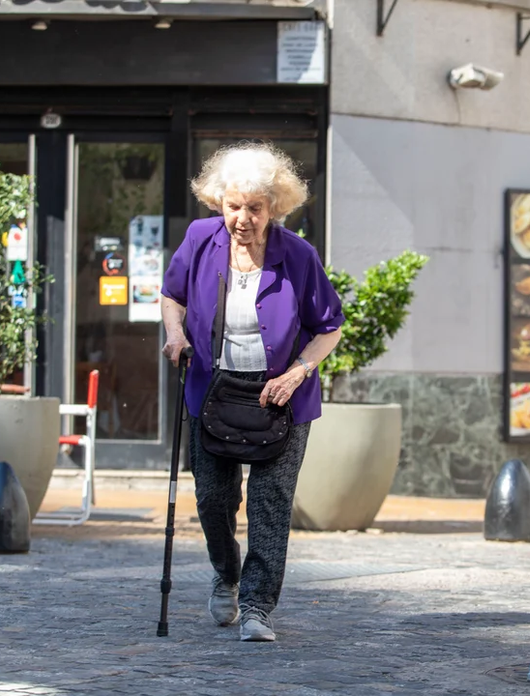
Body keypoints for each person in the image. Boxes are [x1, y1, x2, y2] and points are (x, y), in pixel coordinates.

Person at [161, 142, 344, 642]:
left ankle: (258, 606)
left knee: (270, 501)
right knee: (212, 496)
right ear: (219, 202)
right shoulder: (201, 239)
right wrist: (175, 334)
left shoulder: (298, 255)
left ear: (274, 208)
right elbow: (172, 295)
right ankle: (227, 572)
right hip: (213, 390)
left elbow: (330, 327)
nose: (242, 218)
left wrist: (299, 371)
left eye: (255, 208)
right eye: (233, 206)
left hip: (282, 396)